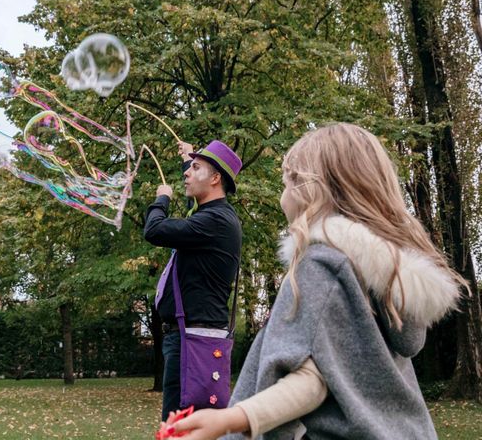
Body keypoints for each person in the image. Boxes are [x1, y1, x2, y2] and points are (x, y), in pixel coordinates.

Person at [160, 123, 466, 439]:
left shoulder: (323, 265)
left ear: (309, 188)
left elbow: (311, 379)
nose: (282, 193)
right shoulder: (378, 271)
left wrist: (230, 420)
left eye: (287, 181)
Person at [144, 139, 243, 422]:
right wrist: (190, 158)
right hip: (192, 337)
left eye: (195, 168)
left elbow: (155, 230)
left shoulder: (215, 222)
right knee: (187, 425)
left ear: (215, 178)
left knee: (180, 428)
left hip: (193, 341)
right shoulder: (213, 217)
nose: (187, 173)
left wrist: (162, 198)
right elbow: (193, 210)